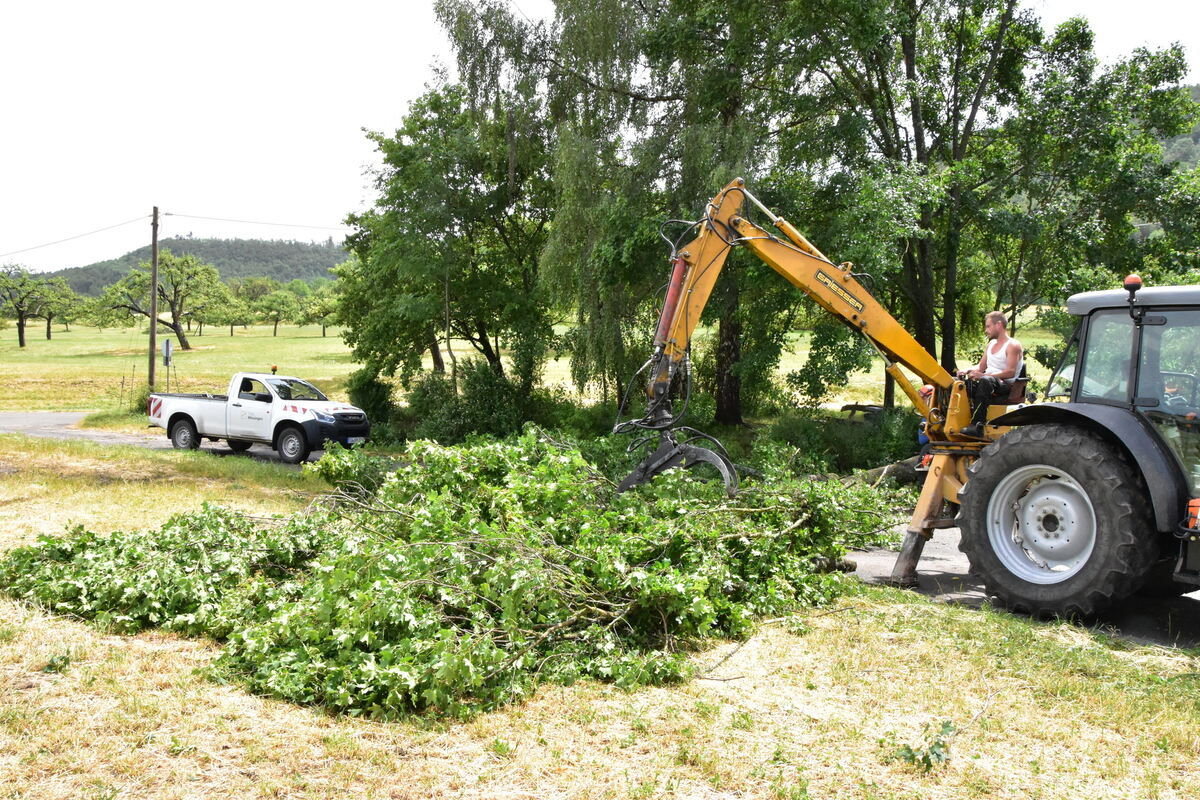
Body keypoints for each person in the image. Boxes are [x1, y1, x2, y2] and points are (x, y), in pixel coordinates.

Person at [958, 311, 1023, 438]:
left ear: (998, 325)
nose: (986, 330)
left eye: (988, 326)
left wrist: (983, 376)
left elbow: (1010, 372)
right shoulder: (991, 344)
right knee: (960, 383)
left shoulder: (1013, 345)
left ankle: (977, 425)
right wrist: (967, 370)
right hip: (989, 381)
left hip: (1006, 385)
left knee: (986, 381)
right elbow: (981, 367)